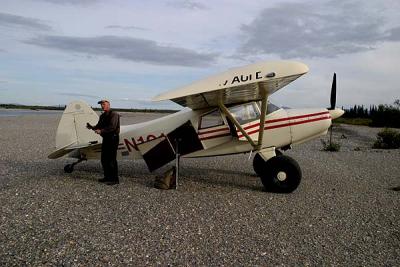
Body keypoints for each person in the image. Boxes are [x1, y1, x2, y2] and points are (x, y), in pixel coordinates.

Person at [87, 99, 120, 185]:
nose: (102, 106)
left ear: (108, 105)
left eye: (104, 104)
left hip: (113, 139)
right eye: (101, 104)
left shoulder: (114, 114)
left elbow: (112, 127)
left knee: (111, 160)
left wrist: (101, 131)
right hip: (106, 139)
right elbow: (99, 126)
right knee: (104, 159)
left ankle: (114, 179)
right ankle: (107, 177)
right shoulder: (102, 116)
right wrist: (92, 127)